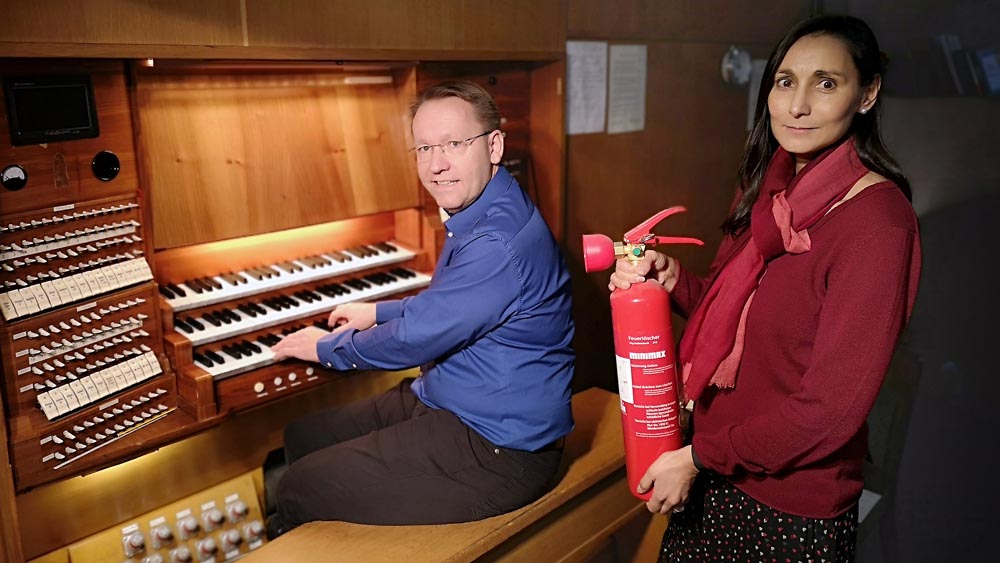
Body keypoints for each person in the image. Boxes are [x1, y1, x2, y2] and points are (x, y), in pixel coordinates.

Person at [610, 15, 921, 563]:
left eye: (825, 83)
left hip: (786, 507)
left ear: (867, 93)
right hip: (713, 464)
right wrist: (673, 280)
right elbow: (738, 317)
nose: (797, 105)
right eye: (784, 81)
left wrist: (698, 458)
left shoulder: (879, 226)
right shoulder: (772, 190)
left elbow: (829, 412)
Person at [265, 81, 575, 535]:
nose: (435, 164)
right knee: (302, 438)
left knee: (297, 487)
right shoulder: (489, 206)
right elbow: (453, 306)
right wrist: (379, 312)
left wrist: (328, 348)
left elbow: (417, 338)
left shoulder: (496, 240)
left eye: (454, 144)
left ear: (494, 146)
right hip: (452, 397)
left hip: (499, 448)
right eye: (424, 147)